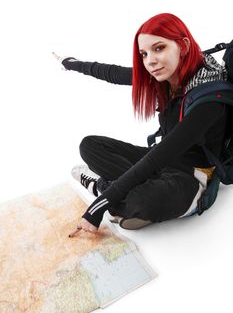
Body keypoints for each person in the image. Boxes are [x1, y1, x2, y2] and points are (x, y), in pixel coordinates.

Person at [53, 13, 228, 235]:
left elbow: (158, 156)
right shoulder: (165, 76)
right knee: (90, 146)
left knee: (142, 201)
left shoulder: (209, 99)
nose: (150, 61)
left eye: (159, 48)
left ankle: (103, 189)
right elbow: (114, 73)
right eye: (144, 54)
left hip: (191, 177)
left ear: (183, 46)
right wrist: (72, 64)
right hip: (162, 163)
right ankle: (122, 197)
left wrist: (98, 207)